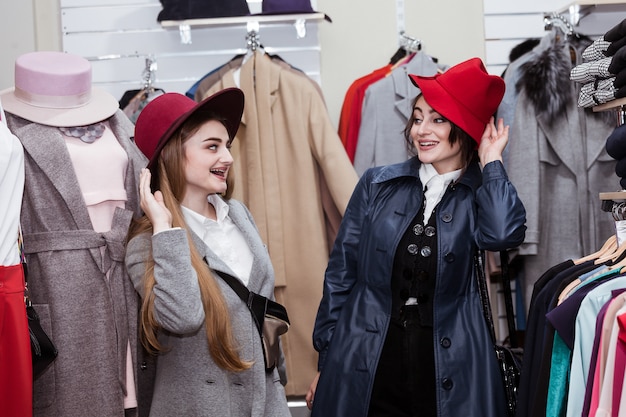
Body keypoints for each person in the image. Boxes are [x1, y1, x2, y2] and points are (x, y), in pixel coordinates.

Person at [305, 57, 527, 417]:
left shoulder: (479, 194)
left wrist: (491, 162)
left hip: (448, 367)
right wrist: (327, 361)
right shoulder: (377, 184)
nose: (421, 130)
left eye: (438, 119)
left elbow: (503, 234)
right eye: (418, 118)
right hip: (367, 359)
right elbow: (341, 275)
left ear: (466, 126)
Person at [125, 88, 292, 417]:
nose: (227, 158)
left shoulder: (239, 215)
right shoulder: (146, 244)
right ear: (174, 154)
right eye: (212, 147)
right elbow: (183, 318)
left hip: (266, 401)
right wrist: (166, 230)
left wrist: (278, 383)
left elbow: (263, 304)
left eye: (226, 146)